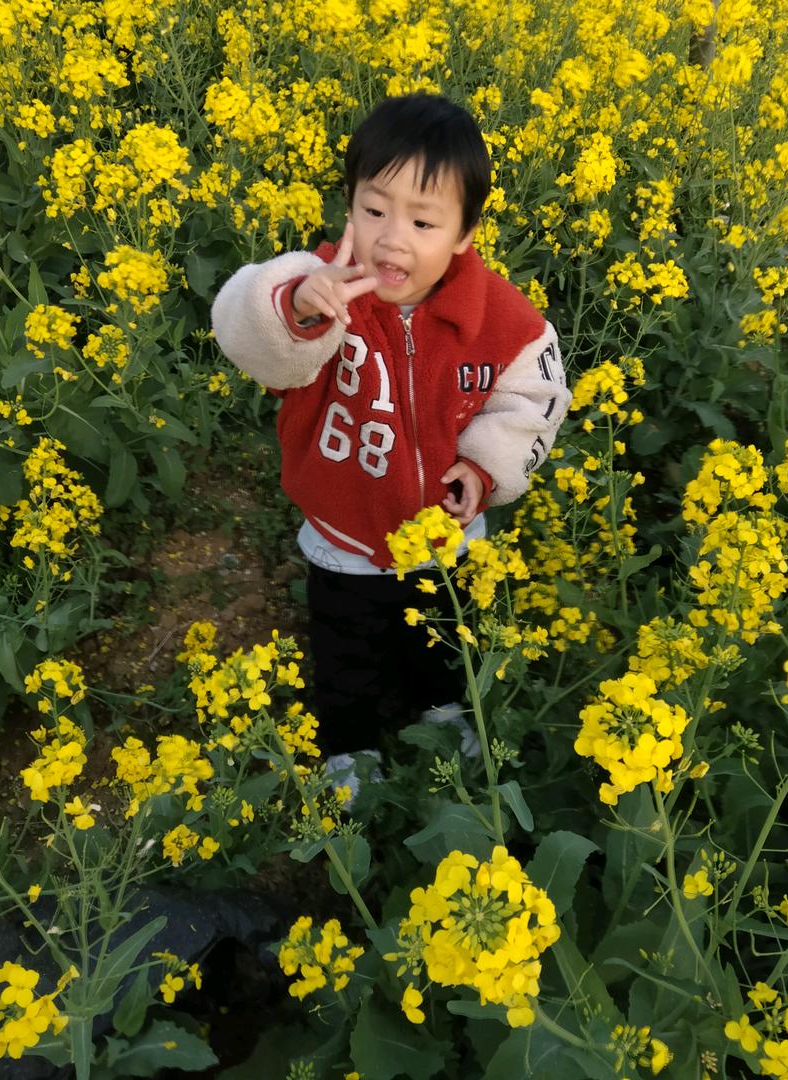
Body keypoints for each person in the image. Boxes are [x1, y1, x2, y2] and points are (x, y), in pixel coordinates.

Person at [211, 94, 570, 792]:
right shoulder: (316, 287)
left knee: (442, 635)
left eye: (423, 220)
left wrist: (484, 468)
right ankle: (349, 746)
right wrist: (299, 308)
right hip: (344, 530)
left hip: (445, 531)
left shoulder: (500, 317)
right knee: (347, 651)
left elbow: (532, 397)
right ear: (348, 206)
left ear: (466, 233)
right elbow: (246, 331)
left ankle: (441, 709)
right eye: (373, 211)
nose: (392, 239)